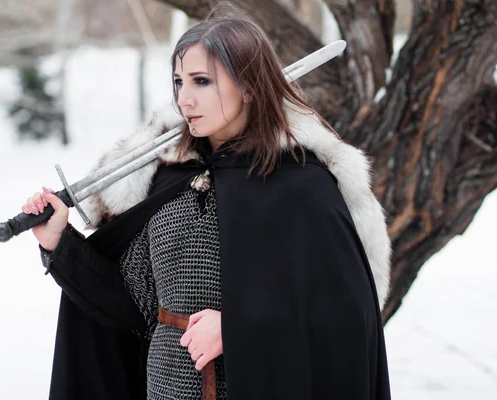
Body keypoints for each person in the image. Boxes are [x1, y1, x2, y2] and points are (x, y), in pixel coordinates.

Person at [22, 15, 392, 400]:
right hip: (166, 387)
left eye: (202, 81)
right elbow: (132, 307)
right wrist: (60, 245)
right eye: (179, 82)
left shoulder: (301, 188)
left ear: (248, 87)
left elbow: (343, 317)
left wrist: (238, 330)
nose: (184, 98)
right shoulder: (172, 182)